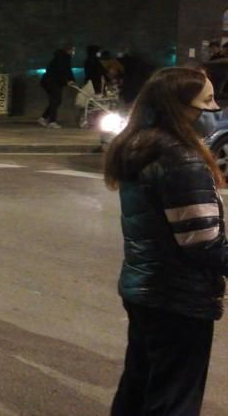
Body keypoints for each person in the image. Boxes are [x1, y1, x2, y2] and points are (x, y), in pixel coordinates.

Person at [103, 67, 227, 416]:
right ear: (178, 106)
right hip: (178, 298)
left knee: (138, 387)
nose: (213, 110)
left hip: (146, 291)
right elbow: (203, 242)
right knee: (173, 399)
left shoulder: (139, 146)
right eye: (206, 101)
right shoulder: (181, 159)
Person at [38, 46, 76, 129]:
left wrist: (71, 80)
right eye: (73, 50)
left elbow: (67, 70)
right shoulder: (63, 59)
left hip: (51, 82)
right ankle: (52, 121)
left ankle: (43, 118)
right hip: (52, 82)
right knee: (55, 100)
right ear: (68, 50)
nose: (74, 52)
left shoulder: (63, 58)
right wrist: (67, 81)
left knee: (56, 101)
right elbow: (62, 71)